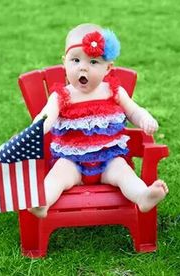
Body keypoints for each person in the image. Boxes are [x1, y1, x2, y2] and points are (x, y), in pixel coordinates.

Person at [29, 23, 168, 218]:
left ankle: (143, 196)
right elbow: (47, 116)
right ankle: (42, 202)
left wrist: (144, 118)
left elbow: (133, 111)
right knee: (57, 175)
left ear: (108, 68)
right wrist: (37, 127)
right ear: (65, 63)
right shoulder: (61, 96)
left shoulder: (114, 91)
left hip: (108, 159)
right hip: (72, 161)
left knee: (124, 172)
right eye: (75, 60)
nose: (82, 67)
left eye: (93, 62)